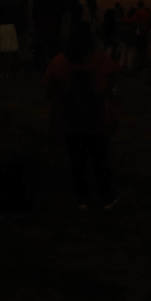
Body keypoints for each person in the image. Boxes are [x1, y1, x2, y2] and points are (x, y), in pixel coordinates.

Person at [47, 20, 120, 209]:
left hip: (70, 119)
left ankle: (82, 198)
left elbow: (50, 89)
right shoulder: (102, 60)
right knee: (100, 160)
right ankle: (105, 197)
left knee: (77, 161)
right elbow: (112, 86)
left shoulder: (59, 62)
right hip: (97, 120)